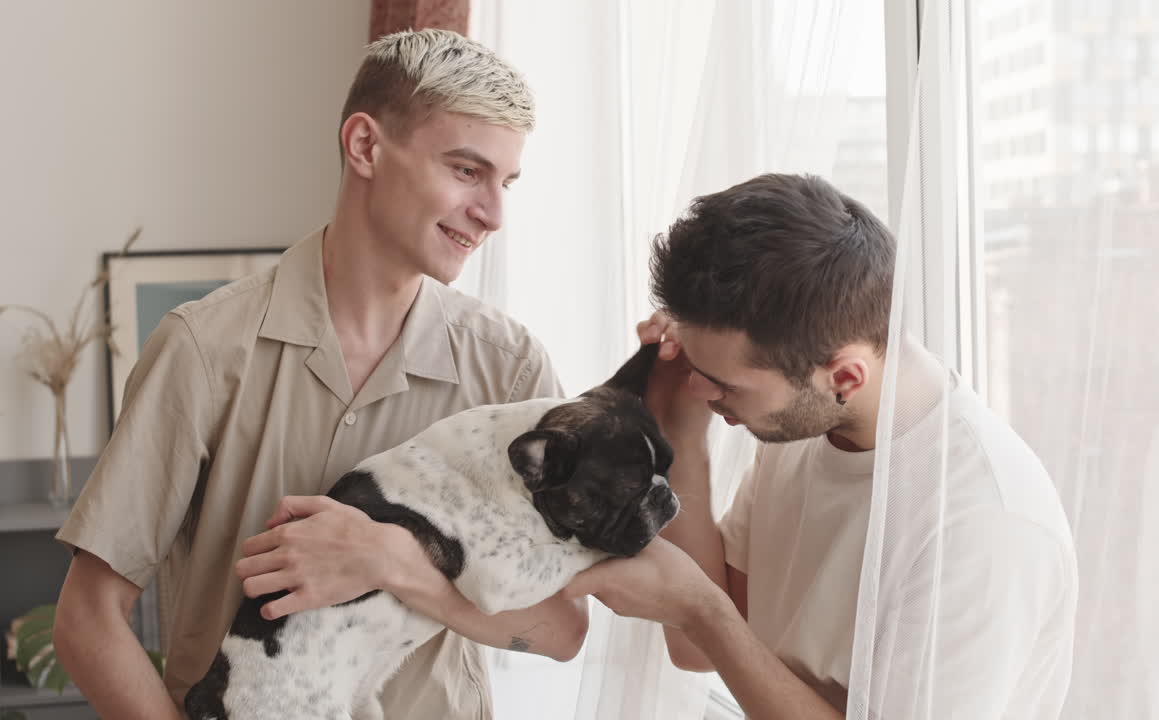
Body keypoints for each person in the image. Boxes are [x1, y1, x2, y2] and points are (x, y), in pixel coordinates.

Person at [53, 29, 586, 720]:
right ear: (364, 145)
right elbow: (88, 618)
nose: (493, 214)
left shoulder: (511, 368)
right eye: (465, 171)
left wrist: (394, 562)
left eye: (505, 182)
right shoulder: (204, 351)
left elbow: (562, 631)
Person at [566, 173, 1078, 719]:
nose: (699, 387)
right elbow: (699, 648)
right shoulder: (805, 426)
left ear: (845, 377)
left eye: (724, 382)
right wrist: (680, 431)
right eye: (699, 367)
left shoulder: (981, 523)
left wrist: (701, 611)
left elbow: (711, 623)